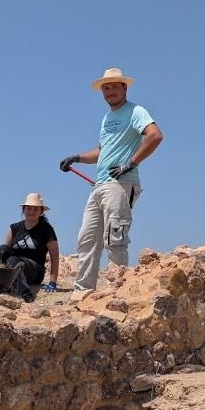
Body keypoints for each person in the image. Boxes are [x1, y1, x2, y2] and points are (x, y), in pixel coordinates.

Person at [59, 67, 163, 290]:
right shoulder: (107, 118)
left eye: (115, 86)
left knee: (115, 239)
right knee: (87, 240)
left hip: (121, 184)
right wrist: (76, 157)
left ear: (124, 88)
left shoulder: (135, 111)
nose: (110, 91)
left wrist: (130, 163)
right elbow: (102, 151)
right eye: (106, 88)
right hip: (100, 184)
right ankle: (83, 293)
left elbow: (155, 135)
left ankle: (118, 293)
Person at [0, 193, 60, 301]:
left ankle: (25, 295)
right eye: (28, 209)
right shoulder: (15, 228)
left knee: (14, 261)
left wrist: (52, 282)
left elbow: (54, 257)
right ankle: (0, 281)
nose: (31, 212)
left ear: (41, 212)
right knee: (2, 249)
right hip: (13, 264)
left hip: (34, 270)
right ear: (23, 210)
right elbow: (6, 249)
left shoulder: (46, 229)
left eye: (35, 209)